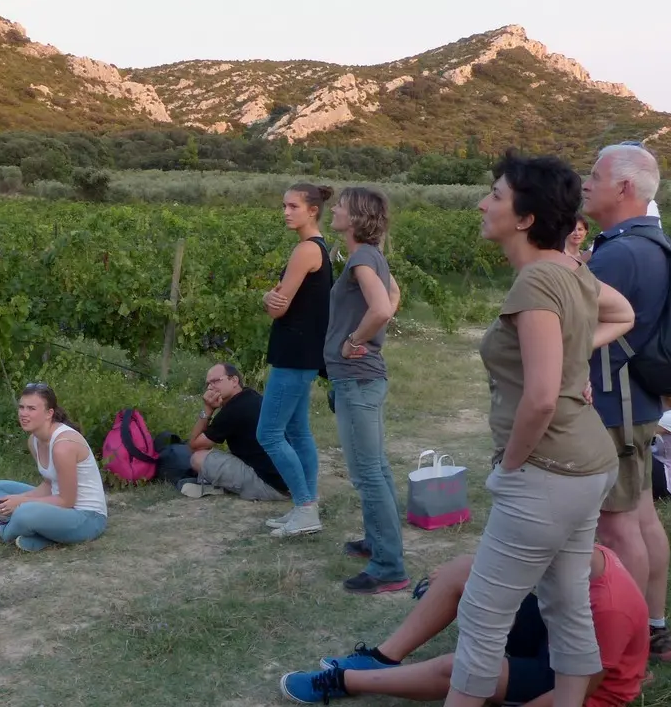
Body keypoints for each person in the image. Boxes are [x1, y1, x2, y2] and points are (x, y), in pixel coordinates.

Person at [443, 150, 631, 707]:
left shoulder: (536, 282)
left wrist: (510, 464)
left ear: (524, 218)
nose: (483, 203)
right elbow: (621, 316)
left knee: (482, 613)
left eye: (496, 196)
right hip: (588, 463)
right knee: (566, 601)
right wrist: (575, 359)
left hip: (548, 470)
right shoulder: (572, 269)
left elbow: (542, 397)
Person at [278, 545, 649, 706]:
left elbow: (580, 692)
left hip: (570, 682)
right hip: (556, 636)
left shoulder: (610, 609)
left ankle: (342, 682)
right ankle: (381, 658)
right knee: (466, 568)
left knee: (462, 668)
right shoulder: (581, 559)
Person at [581, 141, 671, 663]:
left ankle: (626, 652)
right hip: (641, 400)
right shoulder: (656, 243)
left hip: (613, 405)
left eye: (594, 177)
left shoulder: (618, 252)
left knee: (617, 528)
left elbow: (579, 324)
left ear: (623, 187)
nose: (585, 185)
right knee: (642, 519)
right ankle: (656, 629)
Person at [321, 186, 406, 592]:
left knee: (367, 473)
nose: (334, 209)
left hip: (357, 377)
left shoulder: (360, 257)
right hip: (363, 378)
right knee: (377, 469)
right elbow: (394, 295)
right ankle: (377, 543)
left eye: (340, 205)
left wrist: (355, 340)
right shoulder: (371, 256)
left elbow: (384, 307)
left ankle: (389, 566)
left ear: (355, 217)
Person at [258, 183, 334, 531]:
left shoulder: (305, 250)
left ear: (312, 210)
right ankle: (307, 505)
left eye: (293, 206)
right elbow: (280, 300)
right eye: (284, 206)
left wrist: (268, 299)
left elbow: (277, 306)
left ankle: (304, 506)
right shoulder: (320, 249)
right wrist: (272, 299)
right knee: (298, 431)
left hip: (292, 353)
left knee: (269, 433)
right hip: (305, 353)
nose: (286, 212)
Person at [0, 383, 109, 552]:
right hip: (57, 507)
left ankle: (3, 530)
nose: (24, 413)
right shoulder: (34, 441)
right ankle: (42, 535)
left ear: (49, 413)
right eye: (21, 407)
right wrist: (15, 500)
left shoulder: (63, 445)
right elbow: (48, 485)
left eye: (31, 408)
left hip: (87, 518)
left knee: (25, 512)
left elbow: (67, 501)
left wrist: (21, 502)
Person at [170, 363, 290, 502]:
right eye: (208, 384)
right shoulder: (251, 396)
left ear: (234, 381)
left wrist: (208, 409)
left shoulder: (234, 409)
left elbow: (195, 446)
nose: (210, 387)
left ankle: (219, 486)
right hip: (289, 480)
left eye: (215, 381)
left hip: (271, 487)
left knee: (198, 458)